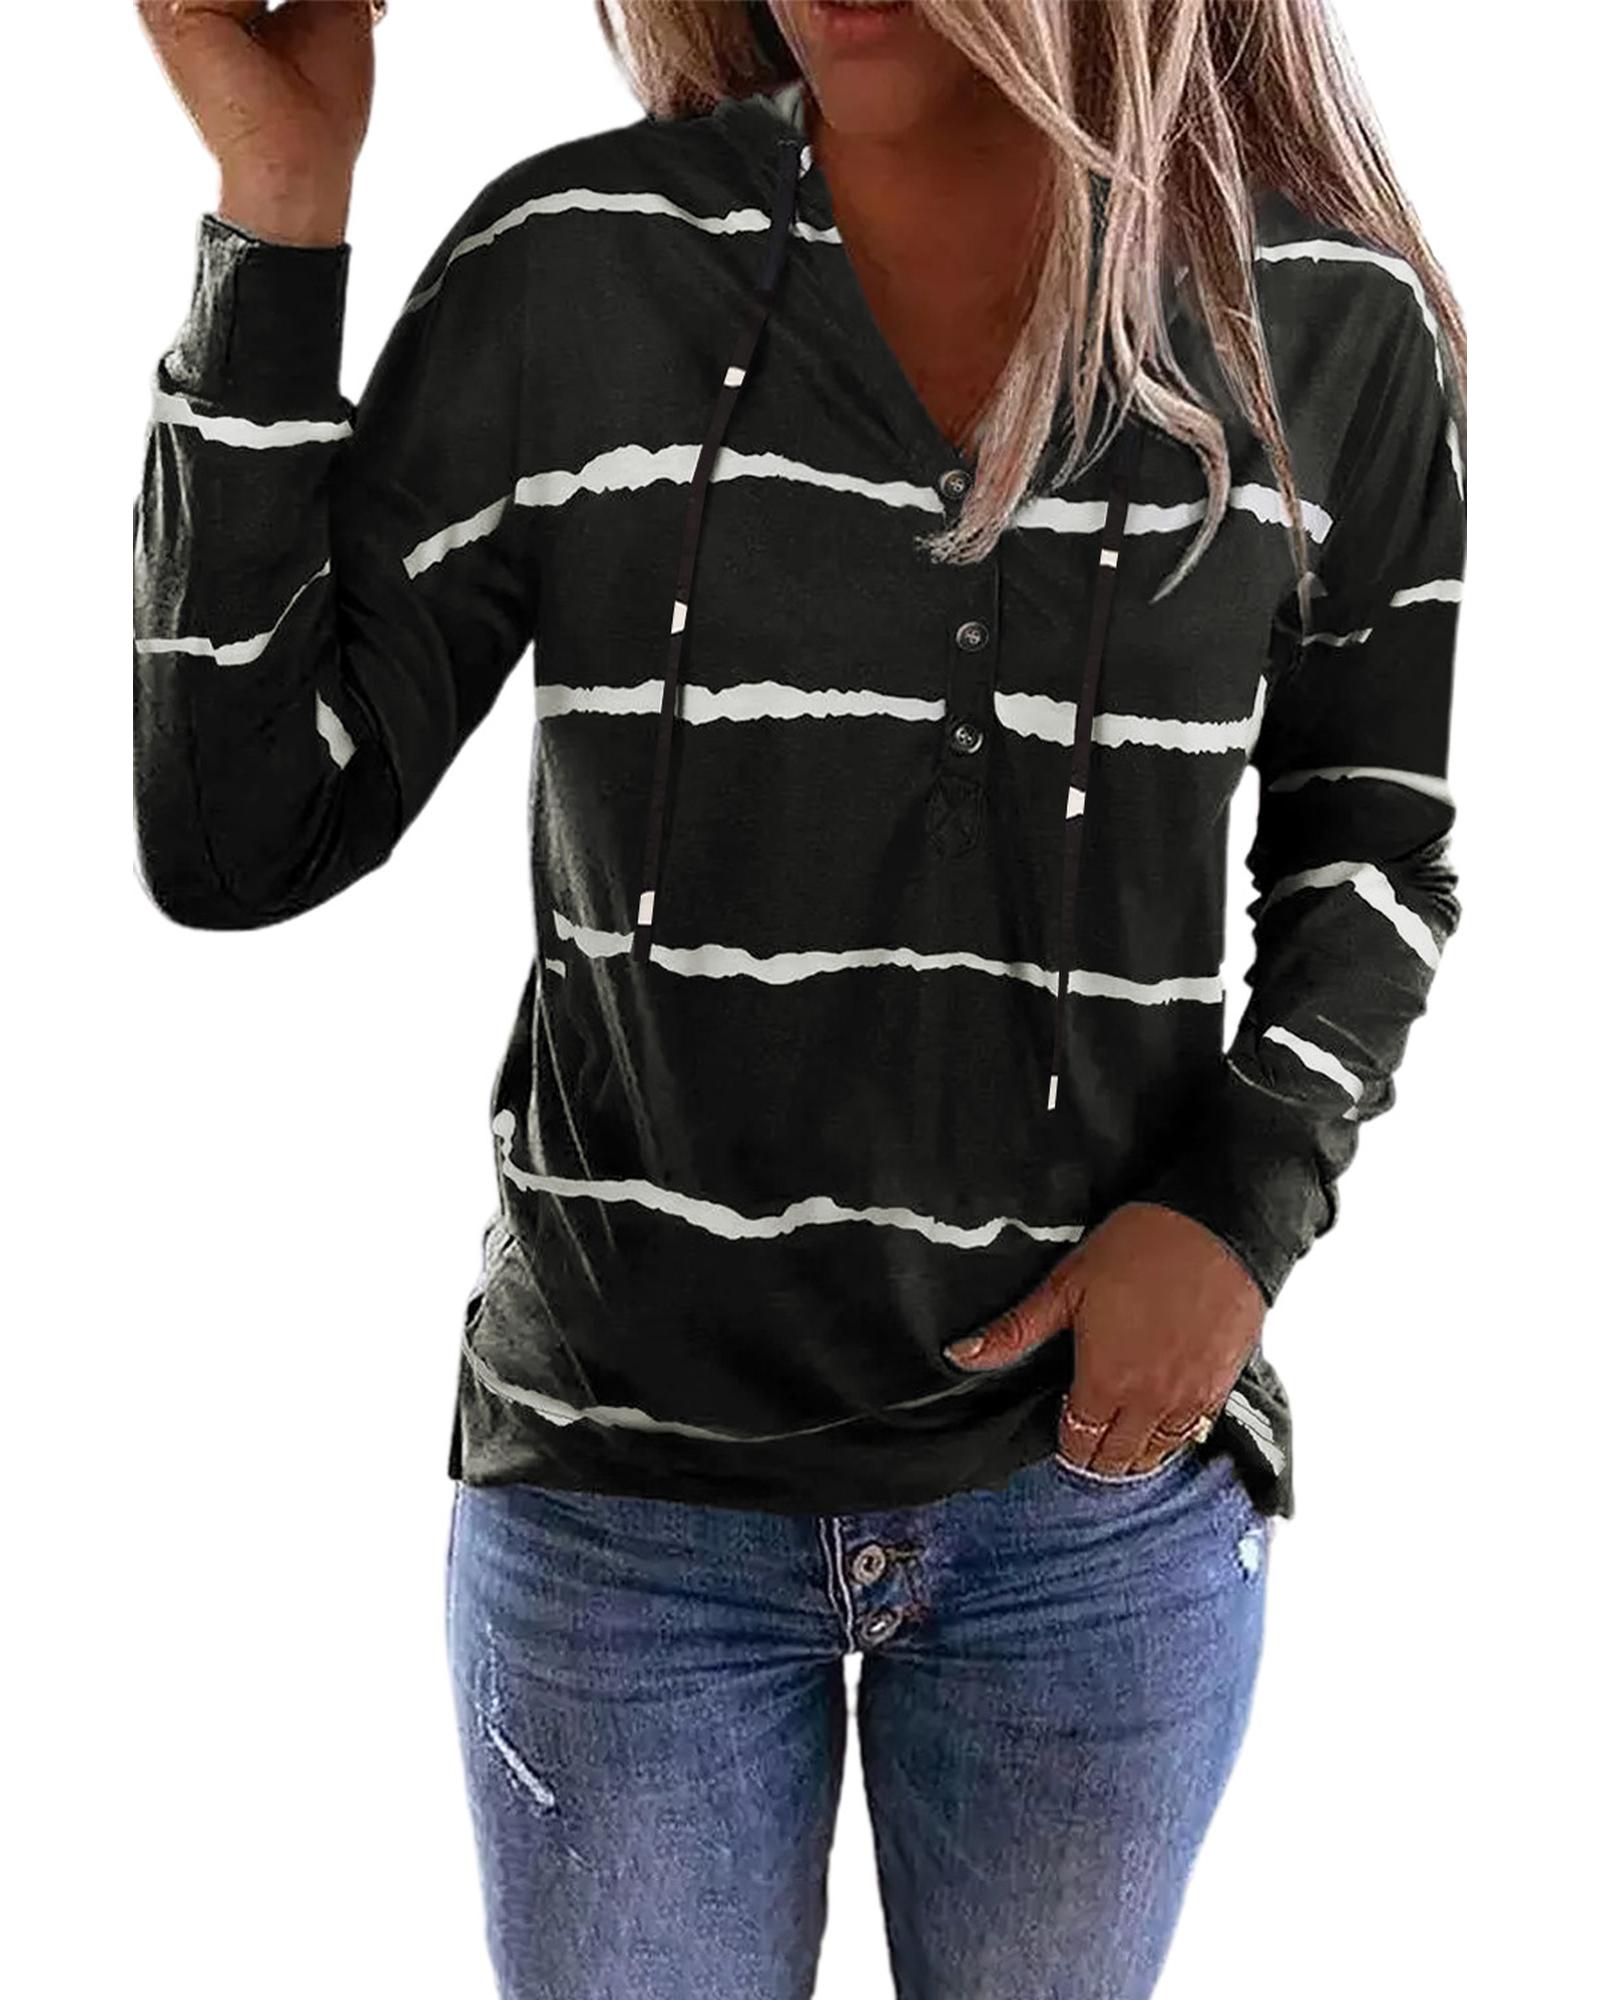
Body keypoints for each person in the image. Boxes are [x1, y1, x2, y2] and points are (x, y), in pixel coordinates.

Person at [131, 2, 1467, 1994]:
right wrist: (281, 198)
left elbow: (1371, 844)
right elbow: (242, 835)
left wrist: (1237, 1209)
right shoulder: (580, 267)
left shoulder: (1324, 324)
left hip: (1090, 1510)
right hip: (620, 1517)